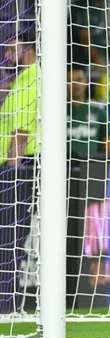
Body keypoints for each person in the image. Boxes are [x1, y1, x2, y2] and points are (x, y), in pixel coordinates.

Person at [0, 31, 37, 312]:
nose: (6, 56)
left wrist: (11, 175)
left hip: (19, 168)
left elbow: (20, 134)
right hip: (16, 166)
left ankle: (6, 305)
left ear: (28, 49)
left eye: (11, 50)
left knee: (10, 238)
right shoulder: (19, 80)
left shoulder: (31, 79)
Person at [66, 66, 108, 157]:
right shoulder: (58, 111)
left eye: (79, 80)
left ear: (86, 81)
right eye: (70, 81)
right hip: (63, 165)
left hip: (92, 166)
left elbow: (109, 141)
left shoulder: (98, 109)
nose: (75, 84)